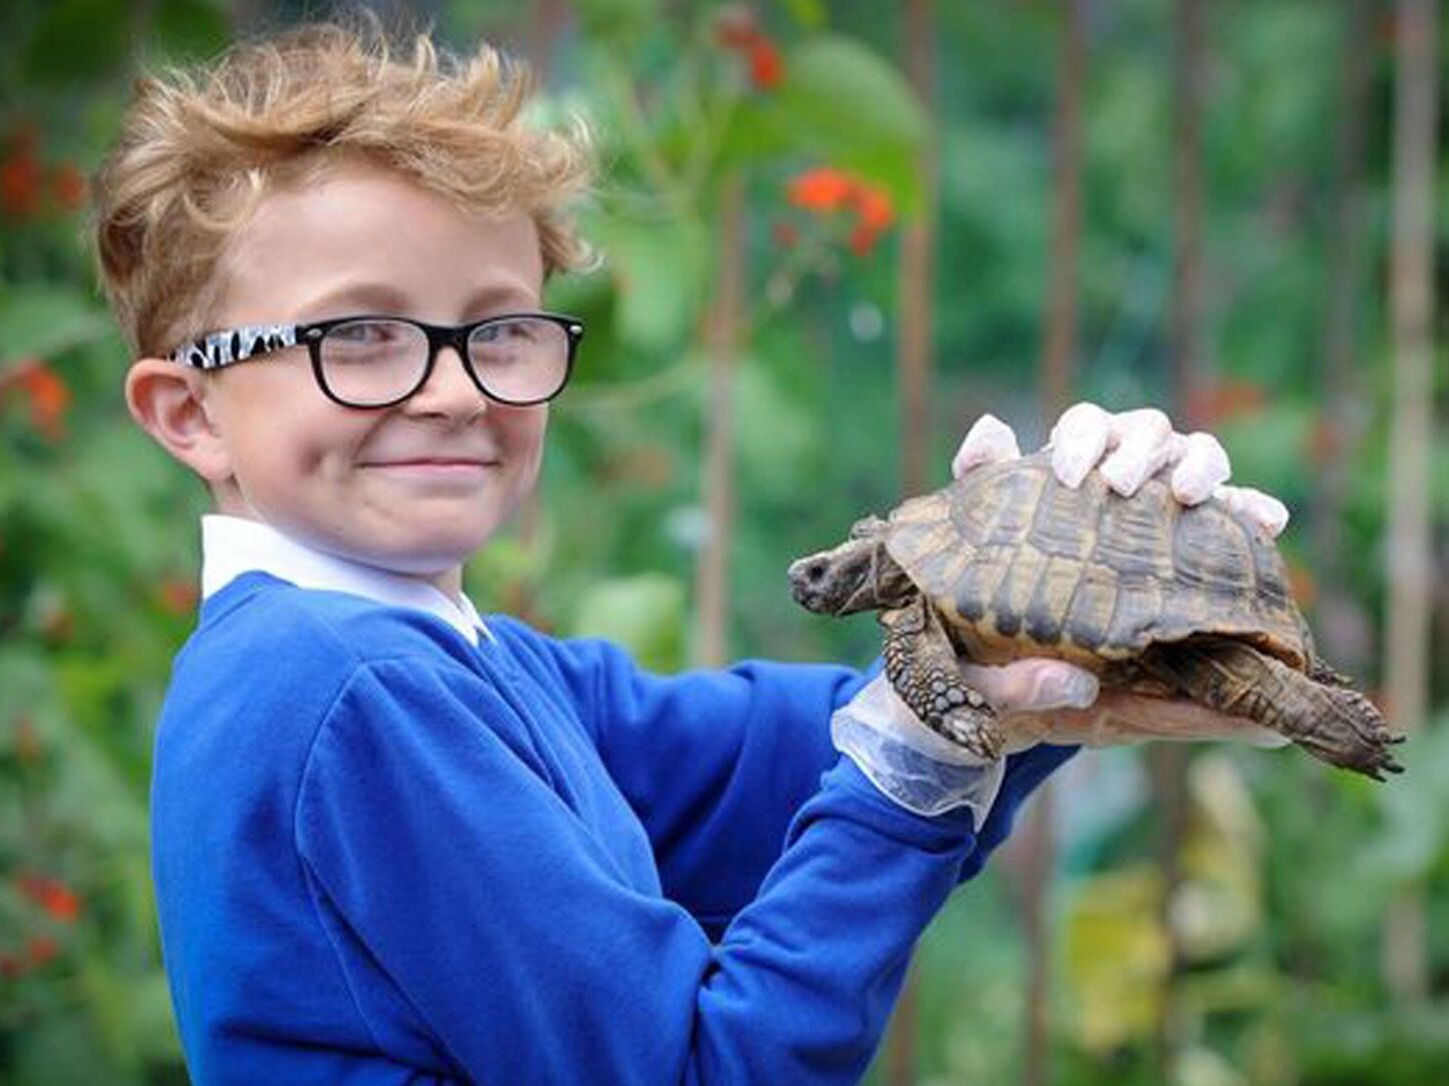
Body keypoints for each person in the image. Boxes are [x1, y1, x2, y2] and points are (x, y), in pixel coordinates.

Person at [94, 21, 1290, 1086]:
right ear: (188, 413)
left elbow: (778, 769)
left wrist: (1060, 595)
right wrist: (923, 750)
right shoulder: (350, 688)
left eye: (499, 330)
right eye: (359, 335)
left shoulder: (450, 663)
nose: (455, 389)